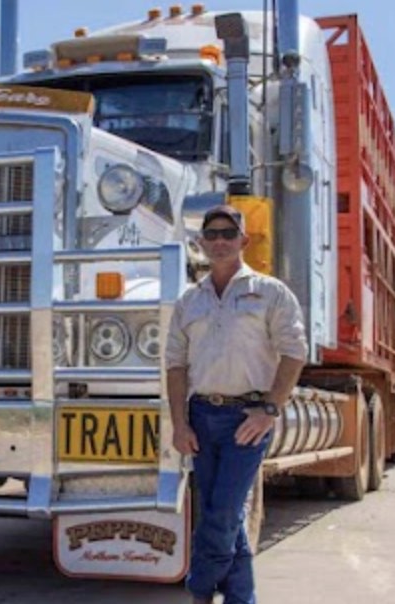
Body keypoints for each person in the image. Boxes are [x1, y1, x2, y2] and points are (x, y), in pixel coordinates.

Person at [164, 204, 309, 604]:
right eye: (212, 234)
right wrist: (180, 424)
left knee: (223, 513)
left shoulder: (269, 292)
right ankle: (240, 599)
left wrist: (269, 410)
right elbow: (175, 365)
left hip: (246, 418)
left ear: (244, 241)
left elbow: (295, 352)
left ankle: (199, 590)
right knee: (222, 514)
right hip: (201, 417)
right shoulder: (189, 301)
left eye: (229, 233)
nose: (220, 241)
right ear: (201, 243)